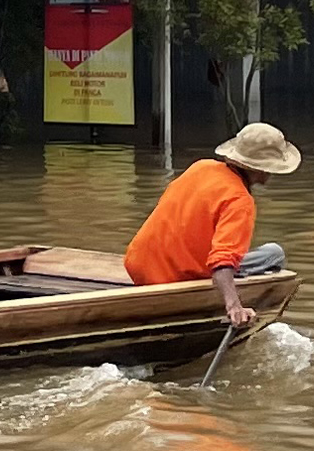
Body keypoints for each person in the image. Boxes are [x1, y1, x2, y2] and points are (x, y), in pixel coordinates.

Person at [124, 119, 298, 331]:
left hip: (138, 265)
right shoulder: (240, 200)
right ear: (263, 170)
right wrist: (234, 306)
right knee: (274, 254)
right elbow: (222, 262)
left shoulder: (201, 167)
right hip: (174, 277)